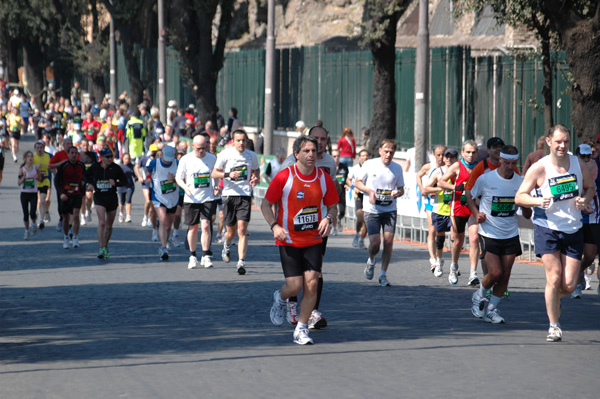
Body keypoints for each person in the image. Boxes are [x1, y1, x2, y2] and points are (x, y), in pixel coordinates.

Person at [515, 124, 594, 342]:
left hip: (573, 228)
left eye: (566, 141)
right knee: (554, 277)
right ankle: (554, 325)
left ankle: (553, 300)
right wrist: (538, 200)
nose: (562, 146)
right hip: (547, 228)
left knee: (568, 284)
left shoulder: (578, 164)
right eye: (558, 141)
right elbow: (519, 196)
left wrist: (584, 199)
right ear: (549, 142)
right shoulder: (540, 168)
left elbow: (590, 187)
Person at [262, 135, 339, 345]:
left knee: (312, 284)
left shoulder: (323, 178)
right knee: (295, 286)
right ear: (296, 154)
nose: (311, 154)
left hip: (313, 239)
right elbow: (265, 205)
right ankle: (280, 297)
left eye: (314, 151)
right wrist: (274, 226)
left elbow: (333, 205)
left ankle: (301, 329)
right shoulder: (284, 176)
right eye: (306, 151)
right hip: (288, 239)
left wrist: (328, 218)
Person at [280, 126, 338, 327]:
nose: (320, 142)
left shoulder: (330, 162)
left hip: (318, 224)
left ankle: (312, 312)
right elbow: (280, 193)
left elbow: (331, 195)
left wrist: (330, 217)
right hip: (293, 226)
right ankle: (292, 301)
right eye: (316, 139)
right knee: (296, 277)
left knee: (315, 271)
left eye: (323, 139)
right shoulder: (291, 162)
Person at [468, 145, 532, 323]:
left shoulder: (521, 183)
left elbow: (527, 213)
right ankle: (479, 295)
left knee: (505, 275)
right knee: (495, 273)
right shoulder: (486, 179)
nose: (510, 167)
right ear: (500, 161)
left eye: (513, 163)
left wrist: (527, 206)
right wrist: (476, 213)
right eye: (506, 163)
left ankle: (491, 309)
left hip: (510, 234)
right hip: (489, 232)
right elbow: (469, 195)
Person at [354, 139, 405, 286]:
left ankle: (383, 275)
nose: (388, 155)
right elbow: (357, 182)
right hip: (372, 210)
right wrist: (369, 191)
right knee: (375, 244)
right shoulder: (370, 164)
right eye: (386, 151)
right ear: (380, 151)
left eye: (391, 152)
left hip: (390, 209)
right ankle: (371, 260)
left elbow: (402, 189)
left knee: (388, 241)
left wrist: (397, 193)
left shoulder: (397, 168)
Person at [212, 129, 260, 274]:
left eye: (244, 140)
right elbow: (214, 173)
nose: (241, 143)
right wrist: (228, 174)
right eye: (238, 140)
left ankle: (241, 262)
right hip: (228, 195)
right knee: (231, 232)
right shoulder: (225, 154)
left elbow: (256, 171)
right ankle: (226, 246)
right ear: (233, 141)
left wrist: (255, 178)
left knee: (242, 230)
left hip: (244, 195)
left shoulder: (251, 155)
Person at [437, 140, 478, 284]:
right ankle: (454, 266)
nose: (471, 155)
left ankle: (473, 273)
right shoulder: (457, 166)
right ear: (462, 153)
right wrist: (456, 187)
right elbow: (441, 182)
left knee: (474, 238)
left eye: (473, 152)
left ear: (477, 153)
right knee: (458, 240)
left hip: (474, 207)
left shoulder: (480, 167)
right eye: (468, 152)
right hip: (459, 207)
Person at [176, 135, 219, 269]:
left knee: (206, 225)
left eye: (204, 148)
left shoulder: (212, 158)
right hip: (191, 198)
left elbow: (216, 174)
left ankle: (206, 255)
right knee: (193, 228)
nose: (201, 151)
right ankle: (193, 256)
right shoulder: (185, 159)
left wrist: (216, 186)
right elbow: (178, 178)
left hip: (207, 197)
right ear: (193, 146)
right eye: (199, 149)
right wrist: (185, 188)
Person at [85, 147, 127, 259]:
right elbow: (85, 176)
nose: (110, 159)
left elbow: (125, 181)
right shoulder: (95, 168)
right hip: (99, 197)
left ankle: (105, 245)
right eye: (107, 157)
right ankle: (100, 248)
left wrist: (116, 183)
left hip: (112, 198)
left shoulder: (116, 168)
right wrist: (89, 184)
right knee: (102, 223)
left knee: (109, 226)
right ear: (102, 158)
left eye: (111, 157)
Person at [423, 148, 459, 276]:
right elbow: (425, 189)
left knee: (455, 238)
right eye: (447, 157)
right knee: (440, 238)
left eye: (452, 157)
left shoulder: (458, 173)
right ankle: (439, 261)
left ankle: (454, 265)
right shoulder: (438, 172)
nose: (449, 159)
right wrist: (440, 188)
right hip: (439, 209)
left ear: (456, 159)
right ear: (443, 158)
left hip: (454, 210)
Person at [146, 145, 179, 260]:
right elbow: (147, 169)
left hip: (173, 198)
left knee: (168, 224)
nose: (168, 161)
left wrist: (174, 179)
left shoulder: (178, 164)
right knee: (163, 220)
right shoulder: (155, 163)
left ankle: (166, 239)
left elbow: (183, 179)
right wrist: (148, 177)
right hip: (159, 196)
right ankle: (163, 248)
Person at [416, 145, 446, 270]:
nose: (441, 157)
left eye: (443, 154)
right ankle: (433, 259)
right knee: (432, 229)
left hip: (443, 203)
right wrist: (422, 188)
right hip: (430, 201)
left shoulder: (448, 168)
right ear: (434, 155)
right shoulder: (428, 167)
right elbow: (418, 176)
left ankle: (439, 257)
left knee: (440, 231)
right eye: (438, 155)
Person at [55, 146, 86, 249]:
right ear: (68, 155)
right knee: (66, 218)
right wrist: (61, 193)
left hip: (77, 194)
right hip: (65, 195)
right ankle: (66, 236)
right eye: (72, 153)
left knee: (76, 215)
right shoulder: (63, 165)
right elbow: (57, 181)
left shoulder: (81, 165)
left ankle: (76, 237)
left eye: (75, 153)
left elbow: (85, 178)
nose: (74, 155)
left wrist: (84, 188)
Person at [348, 149, 371, 250]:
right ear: (359, 158)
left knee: (366, 220)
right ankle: (357, 234)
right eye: (363, 156)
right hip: (359, 195)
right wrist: (354, 188)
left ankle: (361, 240)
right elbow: (348, 180)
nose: (365, 157)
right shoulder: (354, 169)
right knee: (360, 215)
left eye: (366, 156)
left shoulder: (371, 168)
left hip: (367, 195)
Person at [18, 151, 41, 240]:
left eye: (31, 156)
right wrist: (24, 177)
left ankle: (34, 224)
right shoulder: (22, 169)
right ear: (25, 159)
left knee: (32, 212)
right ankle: (27, 231)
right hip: (24, 193)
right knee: (25, 214)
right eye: (28, 156)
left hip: (33, 193)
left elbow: (40, 178)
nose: (30, 158)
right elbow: (19, 183)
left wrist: (37, 177)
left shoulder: (35, 168)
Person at [79, 138, 99, 225]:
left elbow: (96, 166)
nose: (85, 147)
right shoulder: (79, 155)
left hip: (90, 178)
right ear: (80, 146)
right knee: (82, 198)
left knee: (90, 196)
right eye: (83, 145)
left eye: (87, 145)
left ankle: (88, 210)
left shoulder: (93, 155)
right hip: (81, 179)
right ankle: (82, 216)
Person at [33, 140, 52, 229]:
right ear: (35, 149)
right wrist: (36, 169)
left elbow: (52, 166)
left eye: (41, 148)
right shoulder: (33, 157)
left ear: (43, 148)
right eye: (38, 148)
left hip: (45, 180)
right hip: (36, 181)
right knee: (38, 201)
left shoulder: (48, 156)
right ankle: (41, 214)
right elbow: (28, 168)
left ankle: (41, 219)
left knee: (43, 200)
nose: (39, 149)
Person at [331, 149, 349, 236]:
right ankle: (334, 228)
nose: (336, 158)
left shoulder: (344, 167)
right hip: (332, 193)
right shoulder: (329, 167)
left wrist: (347, 185)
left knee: (342, 211)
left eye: (338, 156)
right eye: (334, 156)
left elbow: (347, 179)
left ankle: (339, 219)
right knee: (334, 210)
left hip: (342, 193)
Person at [117, 153, 137, 223]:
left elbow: (133, 174)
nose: (127, 160)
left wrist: (136, 177)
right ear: (122, 159)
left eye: (128, 159)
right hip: (121, 186)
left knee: (128, 200)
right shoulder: (120, 166)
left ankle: (128, 215)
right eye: (125, 158)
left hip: (130, 185)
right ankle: (121, 214)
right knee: (122, 201)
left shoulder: (131, 166)